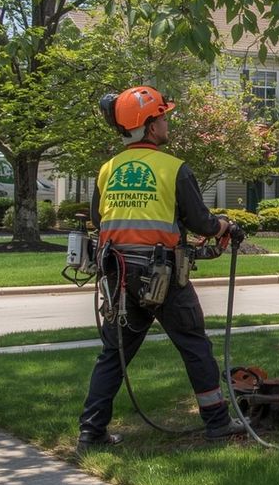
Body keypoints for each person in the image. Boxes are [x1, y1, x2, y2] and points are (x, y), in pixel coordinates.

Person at [78, 86, 247, 453]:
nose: (168, 122)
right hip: (164, 277)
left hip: (119, 276)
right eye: (163, 117)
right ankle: (217, 423)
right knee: (195, 345)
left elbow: (99, 219)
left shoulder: (108, 170)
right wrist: (224, 226)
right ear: (150, 126)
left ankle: (91, 433)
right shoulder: (174, 169)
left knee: (113, 354)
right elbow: (201, 223)